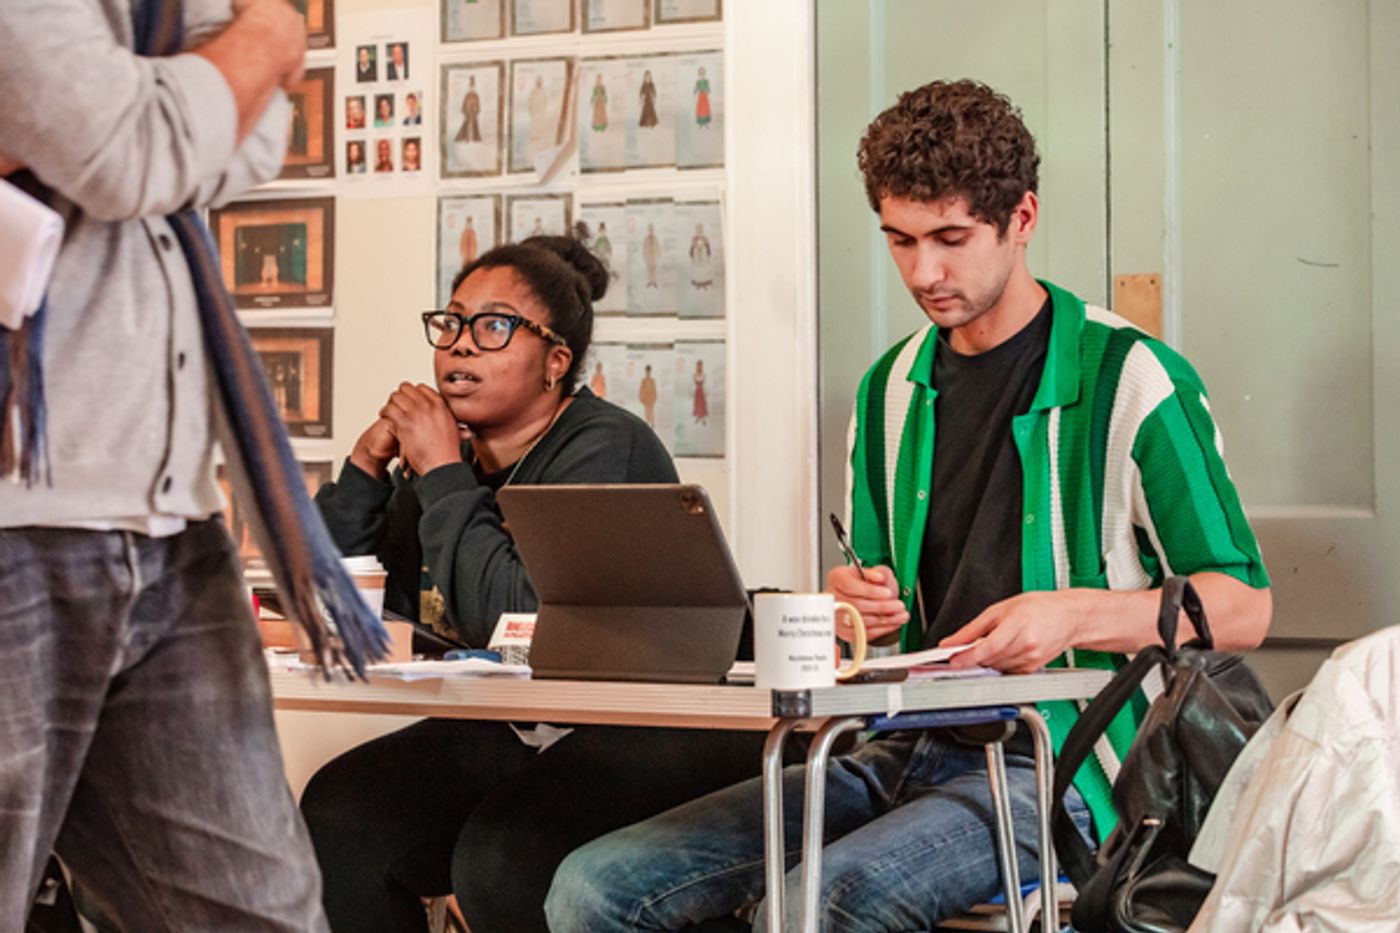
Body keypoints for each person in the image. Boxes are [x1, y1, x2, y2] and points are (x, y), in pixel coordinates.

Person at [546, 78, 1273, 932]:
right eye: (900, 240)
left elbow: (1244, 605)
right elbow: (881, 607)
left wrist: (1072, 613)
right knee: (592, 886)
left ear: (1023, 218)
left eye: (951, 238)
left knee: (822, 906)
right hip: (896, 744)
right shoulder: (888, 389)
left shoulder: (1135, 378)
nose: (923, 271)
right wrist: (854, 605)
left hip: (1066, 765)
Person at [299, 237, 774, 933]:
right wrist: (367, 471)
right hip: (524, 726)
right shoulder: (444, 465)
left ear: (556, 361)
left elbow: (522, 625)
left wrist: (440, 476)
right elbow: (333, 602)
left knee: (505, 858)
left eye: (494, 327)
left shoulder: (605, 447)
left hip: (652, 725)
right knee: (340, 814)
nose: (461, 346)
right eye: (452, 323)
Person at [0, 0, 330, 929]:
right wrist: (267, 36)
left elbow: (240, 147)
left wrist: (131, 110)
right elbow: (132, 148)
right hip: (19, 515)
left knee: (264, 911)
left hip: (168, 516)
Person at [457, 75, 481, 143]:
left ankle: (474, 138)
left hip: (474, 112)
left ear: (474, 87)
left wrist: (477, 110)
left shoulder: (476, 95)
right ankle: (466, 138)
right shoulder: (467, 95)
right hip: (467, 112)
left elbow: (478, 104)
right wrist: (464, 111)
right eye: (470, 87)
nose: (472, 88)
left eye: (473, 87)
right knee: (467, 125)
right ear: (469, 87)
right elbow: (464, 104)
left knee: (474, 125)